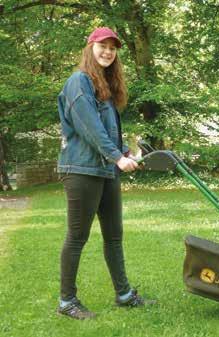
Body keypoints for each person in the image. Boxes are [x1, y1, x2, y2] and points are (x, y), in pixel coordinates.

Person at [56, 27, 149, 320]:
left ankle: (124, 294)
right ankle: (66, 302)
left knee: (114, 236)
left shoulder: (104, 89)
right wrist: (116, 158)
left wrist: (124, 153)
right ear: (90, 47)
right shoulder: (78, 82)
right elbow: (89, 128)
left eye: (112, 47)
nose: (108, 51)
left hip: (106, 170)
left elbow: (108, 132)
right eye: (102, 46)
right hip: (82, 170)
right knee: (77, 236)